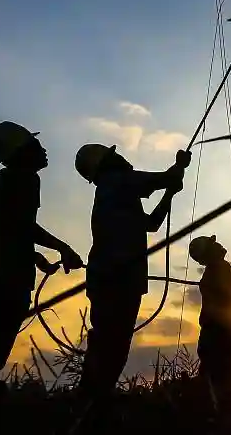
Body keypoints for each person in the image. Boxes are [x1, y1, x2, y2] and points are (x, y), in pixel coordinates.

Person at [0, 121, 84, 394]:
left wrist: (34, 258)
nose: (44, 149)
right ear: (21, 151)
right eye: (35, 145)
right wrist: (63, 248)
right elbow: (23, 225)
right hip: (3, 283)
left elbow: (8, 231)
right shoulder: (23, 179)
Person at [73, 143, 191, 402]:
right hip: (116, 280)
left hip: (117, 279)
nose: (121, 157)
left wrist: (170, 194)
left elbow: (151, 224)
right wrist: (178, 168)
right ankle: (89, 404)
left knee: (112, 345)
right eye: (114, 155)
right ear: (106, 163)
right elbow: (161, 179)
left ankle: (92, 402)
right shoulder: (116, 182)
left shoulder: (117, 192)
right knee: (111, 346)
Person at [188, 235, 231, 395]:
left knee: (213, 368)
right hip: (218, 328)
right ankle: (216, 405)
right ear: (207, 252)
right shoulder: (219, 268)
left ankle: (209, 403)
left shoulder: (217, 269)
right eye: (213, 244)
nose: (218, 244)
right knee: (218, 370)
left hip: (216, 327)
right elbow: (230, 299)